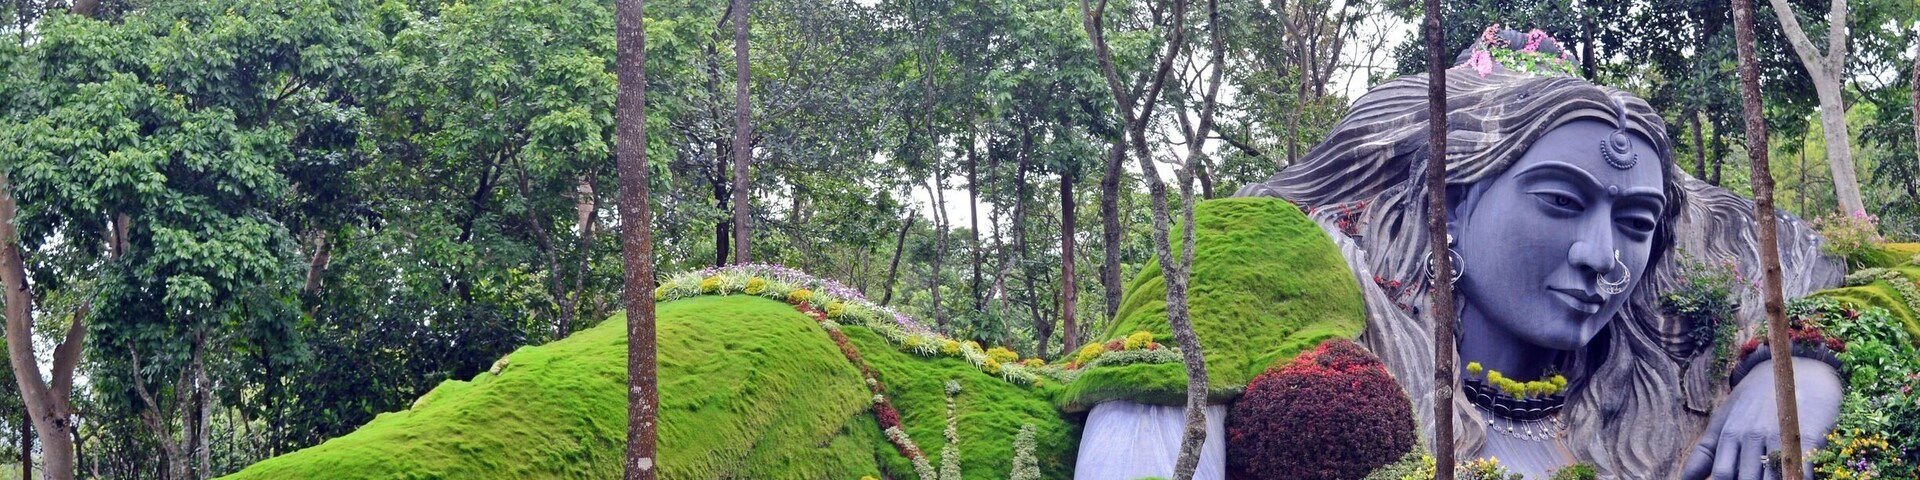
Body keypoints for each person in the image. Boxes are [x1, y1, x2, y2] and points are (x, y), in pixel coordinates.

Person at [1235, 26, 1845, 479]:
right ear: (1451, 203)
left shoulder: (1654, 405)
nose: (1602, 256)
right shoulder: (1338, 369)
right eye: (1560, 200)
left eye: (1635, 222)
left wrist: (1799, 369)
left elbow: (1839, 275)